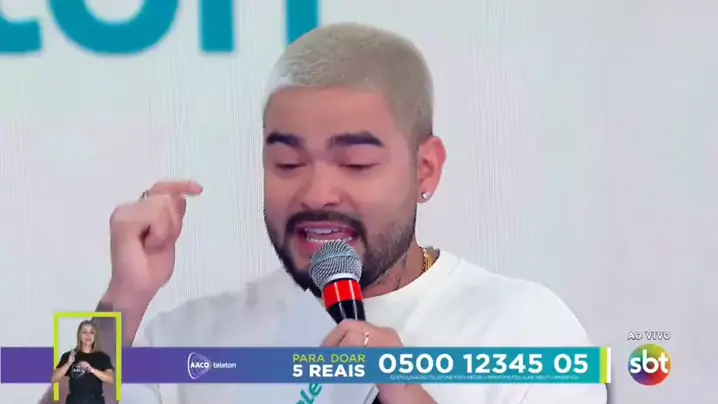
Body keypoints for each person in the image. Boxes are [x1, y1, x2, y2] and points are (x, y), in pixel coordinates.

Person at [39, 23, 607, 403]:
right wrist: (124, 299)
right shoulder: (193, 339)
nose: (316, 193)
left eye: (355, 163)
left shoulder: (525, 330)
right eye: (287, 163)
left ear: (425, 170)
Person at [51, 320, 114, 404]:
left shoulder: (102, 357)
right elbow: (54, 378)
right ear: (79, 335)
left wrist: (91, 369)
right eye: (84, 332)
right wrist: (68, 363)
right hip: (74, 400)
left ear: (95, 336)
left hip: (95, 401)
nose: (88, 335)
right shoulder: (70, 355)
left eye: (91, 332)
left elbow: (110, 379)